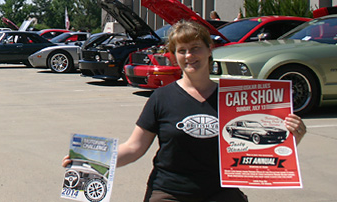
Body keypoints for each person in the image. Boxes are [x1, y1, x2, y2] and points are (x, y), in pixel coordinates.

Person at [63, 20, 307, 202]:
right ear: (174, 55)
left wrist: (291, 137)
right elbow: (134, 147)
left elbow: (264, 150)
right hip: (170, 192)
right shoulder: (161, 98)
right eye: (182, 50)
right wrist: (89, 161)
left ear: (210, 49)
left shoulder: (235, 100)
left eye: (196, 48)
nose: (189, 56)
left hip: (220, 192)